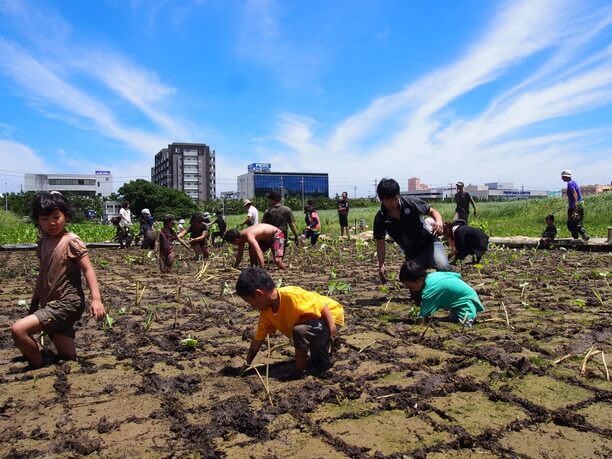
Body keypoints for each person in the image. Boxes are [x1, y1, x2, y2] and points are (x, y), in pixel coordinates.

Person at [10, 192, 106, 370]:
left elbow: (88, 269)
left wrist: (96, 299)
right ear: (38, 221)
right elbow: (42, 275)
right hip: (50, 303)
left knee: (18, 330)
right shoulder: (44, 242)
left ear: (66, 216)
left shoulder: (71, 241)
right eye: (45, 219)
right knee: (68, 357)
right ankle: (54, 355)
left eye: (56, 217)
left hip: (67, 303)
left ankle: (38, 364)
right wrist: (34, 303)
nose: (52, 223)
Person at [236, 267, 345, 377]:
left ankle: (315, 367)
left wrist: (332, 327)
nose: (252, 306)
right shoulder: (266, 313)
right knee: (303, 332)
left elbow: (322, 304)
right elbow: (257, 341)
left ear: (259, 294)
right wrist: (247, 363)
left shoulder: (292, 295)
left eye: (250, 302)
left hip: (332, 316)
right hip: (313, 323)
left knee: (300, 331)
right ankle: (321, 349)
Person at [374, 178, 451, 283]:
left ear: (398, 195)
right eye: (388, 200)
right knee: (412, 280)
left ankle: (455, 286)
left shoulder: (410, 202)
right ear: (381, 199)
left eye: (395, 199)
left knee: (443, 266)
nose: (392, 203)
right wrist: (381, 265)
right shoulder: (380, 218)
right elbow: (380, 243)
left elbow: (432, 211)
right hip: (411, 253)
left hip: (430, 244)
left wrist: (439, 221)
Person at [399, 261, 483, 327]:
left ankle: (470, 316)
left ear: (418, 280)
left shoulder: (430, 291)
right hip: (467, 296)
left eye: (409, 285)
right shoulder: (432, 276)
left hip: (466, 303)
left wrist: (417, 328)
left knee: (464, 324)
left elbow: (422, 318)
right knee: (453, 318)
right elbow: (456, 275)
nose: (409, 288)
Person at [224, 223, 288, 269]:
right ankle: (254, 268)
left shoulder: (249, 235)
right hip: (265, 239)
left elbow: (258, 251)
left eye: (232, 243)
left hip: (276, 235)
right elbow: (240, 254)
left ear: (236, 239)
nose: (234, 245)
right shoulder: (240, 238)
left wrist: (262, 269)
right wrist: (235, 266)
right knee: (252, 252)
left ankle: (285, 269)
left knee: (277, 261)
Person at [561, 170, 589, 241]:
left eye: (562, 176)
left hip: (575, 206)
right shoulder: (573, 182)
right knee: (578, 221)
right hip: (580, 205)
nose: (562, 178)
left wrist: (575, 205)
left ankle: (577, 237)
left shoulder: (570, 183)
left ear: (565, 176)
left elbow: (574, 193)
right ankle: (583, 235)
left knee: (571, 223)